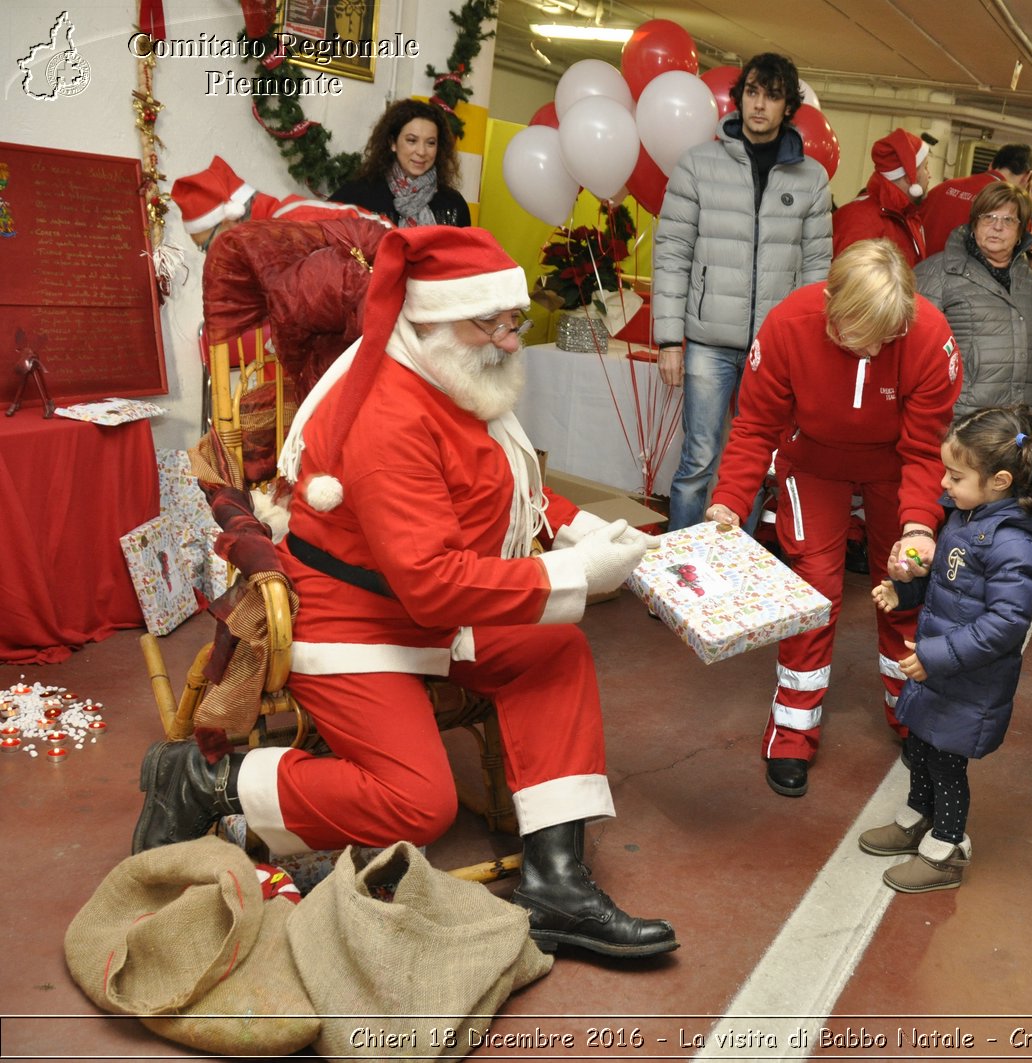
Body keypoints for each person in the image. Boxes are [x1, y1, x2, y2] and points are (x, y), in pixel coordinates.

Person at [130, 226, 678, 958]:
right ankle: (207, 778)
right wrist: (570, 574)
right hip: (355, 619)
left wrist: (581, 531)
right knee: (419, 804)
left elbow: (507, 489)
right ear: (427, 318)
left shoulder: (453, 371)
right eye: (493, 322)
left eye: (513, 321)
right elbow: (432, 584)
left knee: (557, 650)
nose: (511, 341)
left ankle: (556, 886)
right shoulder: (391, 414)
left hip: (426, 608)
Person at [703, 240, 962, 798]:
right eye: (861, 333)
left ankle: (909, 716)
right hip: (812, 464)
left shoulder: (928, 337)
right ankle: (792, 733)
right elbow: (753, 428)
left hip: (896, 468)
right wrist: (728, 502)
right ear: (833, 308)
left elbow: (925, 450)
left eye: (887, 335)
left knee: (904, 583)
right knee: (813, 592)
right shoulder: (788, 325)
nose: (874, 347)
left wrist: (919, 526)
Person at [857, 407, 1032, 893]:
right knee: (920, 745)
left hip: (968, 675)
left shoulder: (1016, 544)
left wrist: (934, 657)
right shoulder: (969, 516)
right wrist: (903, 592)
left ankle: (945, 850)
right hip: (943, 663)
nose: (944, 485)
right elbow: (947, 586)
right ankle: (916, 819)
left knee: (947, 762)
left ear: (999, 480)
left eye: (955, 476)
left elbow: (1005, 624)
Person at [653, 52, 833, 532]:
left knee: (752, 464)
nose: (759, 105)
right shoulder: (696, 165)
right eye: (752, 92)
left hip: (773, 349)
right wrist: (670, 340)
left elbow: (818, 271)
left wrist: (810, 348)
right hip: (707, 343)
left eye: (772, 96)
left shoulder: (811, 178)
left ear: (788, 106)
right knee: (698, 461)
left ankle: (733, 578)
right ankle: (679, 577)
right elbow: (672, 253)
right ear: (738, 99)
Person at [914, 181, 1032, 425]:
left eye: (1008, 220)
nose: (997, 227)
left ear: (1021, 229)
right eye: (988, 217)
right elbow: (915, 355)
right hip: (961, 426)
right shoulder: (937, 273)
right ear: (974, 223)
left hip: (1020, 430)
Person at [171, 155, 388, 250]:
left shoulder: (293, 220)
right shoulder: (265, 239)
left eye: (207, 246)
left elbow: (386, 232)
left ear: (229, 220)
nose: (210, 256)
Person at [331, 99, 470, 228]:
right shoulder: (357, 195)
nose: (421, 151)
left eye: (430, 143)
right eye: (411, 140)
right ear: (393, 143)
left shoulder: (454, 204)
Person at [917, 143, 1032, 258]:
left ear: (991, 165)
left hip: (919, 271)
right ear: (1027, 176)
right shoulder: (1016, 207)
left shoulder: (943, 187)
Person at [831, 128, 930, 265]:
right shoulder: (859, 220)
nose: (929, 175)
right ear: (910, 177)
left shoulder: (908, 217)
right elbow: (851, 283)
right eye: (925, 167)